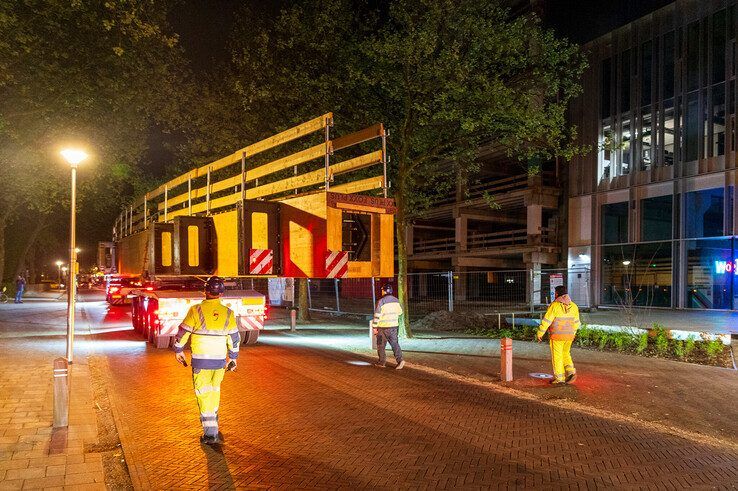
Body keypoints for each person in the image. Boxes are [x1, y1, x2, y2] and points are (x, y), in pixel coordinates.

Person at [173, 276, 240, 445]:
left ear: (205, 291)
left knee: (203, 394)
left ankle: (210, 434)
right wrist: (233, 358)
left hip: (201, 362)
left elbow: (182, 333)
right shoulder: (228, 313)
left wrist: (178, 350)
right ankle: (214, 426)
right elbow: (234, 338)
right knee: (214, 391)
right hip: (219, 362)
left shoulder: (195, 310)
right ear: (222, 293)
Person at [537, 285, 581, 385]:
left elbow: (547, 321)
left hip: (557, 336)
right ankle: (571, 372)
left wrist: (540, 333)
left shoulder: (554, 306)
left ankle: (560, 379)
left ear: (557, 293)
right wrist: (573, 333)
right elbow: (577, 323)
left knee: (557, 356)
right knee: (566, 353)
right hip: (569, 336)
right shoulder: (574, 306)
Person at [372, 283, 404, 369]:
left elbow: (377, 315)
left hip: (382, 327)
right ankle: (400, 360)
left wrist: (374, 327)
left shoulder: (381, 301)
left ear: (384, 291)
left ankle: (382, 362)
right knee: (394, 344)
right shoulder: (396, 300)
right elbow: (400, 312)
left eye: (382, 290)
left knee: (380, 345)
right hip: (393, 327)